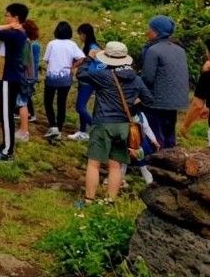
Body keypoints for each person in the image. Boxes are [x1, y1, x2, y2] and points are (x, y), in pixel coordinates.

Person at [76, 41, 154, 204]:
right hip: (123, 125)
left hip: (103, 123)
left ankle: (89, 200)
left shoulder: (103, 75)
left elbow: (81, 74)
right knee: (115, 165)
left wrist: (90, 59)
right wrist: (132, 105)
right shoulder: (136, 79)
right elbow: (149, 100)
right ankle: (110, 200)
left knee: (94, 163)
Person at [0, 3, 29, 162]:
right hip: (10, 77)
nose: (5, 18)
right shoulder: (19, 34)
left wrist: (7, 26)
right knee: (5, 114)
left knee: (6, 115)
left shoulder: (14, 34)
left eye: (7, 15)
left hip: (8, 78)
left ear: (15, 18)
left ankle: (7, 151)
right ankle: (5, 145)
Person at [139, 15, 189, 149]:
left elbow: (148, 78)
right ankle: (170, 155)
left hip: (157, 102)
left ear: (156, 32)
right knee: (169, 133)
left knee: (155, 135)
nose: (147, 32)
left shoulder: (153, 50)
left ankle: (154, 157)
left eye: (149, 29)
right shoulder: (180, 50)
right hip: (175, 102)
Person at [43, 21, 85, 139]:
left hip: (52, 77)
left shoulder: (52, 43)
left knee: (48, 101)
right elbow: (82, 58)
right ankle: (60, 129)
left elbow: (46, 59)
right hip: (66, 78)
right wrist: (73, 67)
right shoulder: (72, 44)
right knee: (61, 103)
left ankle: (53, 126)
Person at [67, 23, 100, 141]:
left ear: (85, 34)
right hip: (84, 80)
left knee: (80, 107)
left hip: (88, 81)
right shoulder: (88, 46)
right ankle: (82, 131)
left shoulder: (93, 47)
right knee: (82, 106)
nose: (80, 37)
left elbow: (99, 65)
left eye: (80, 34)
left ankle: (97, 129)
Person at [15, 19, 41, 142]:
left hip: (25, 77)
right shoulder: (30, 42)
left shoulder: (25, 42)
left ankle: (24, 131)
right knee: (23, 102)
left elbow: (24, 62)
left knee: (21, 103)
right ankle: (23, 130)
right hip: (29, 76)